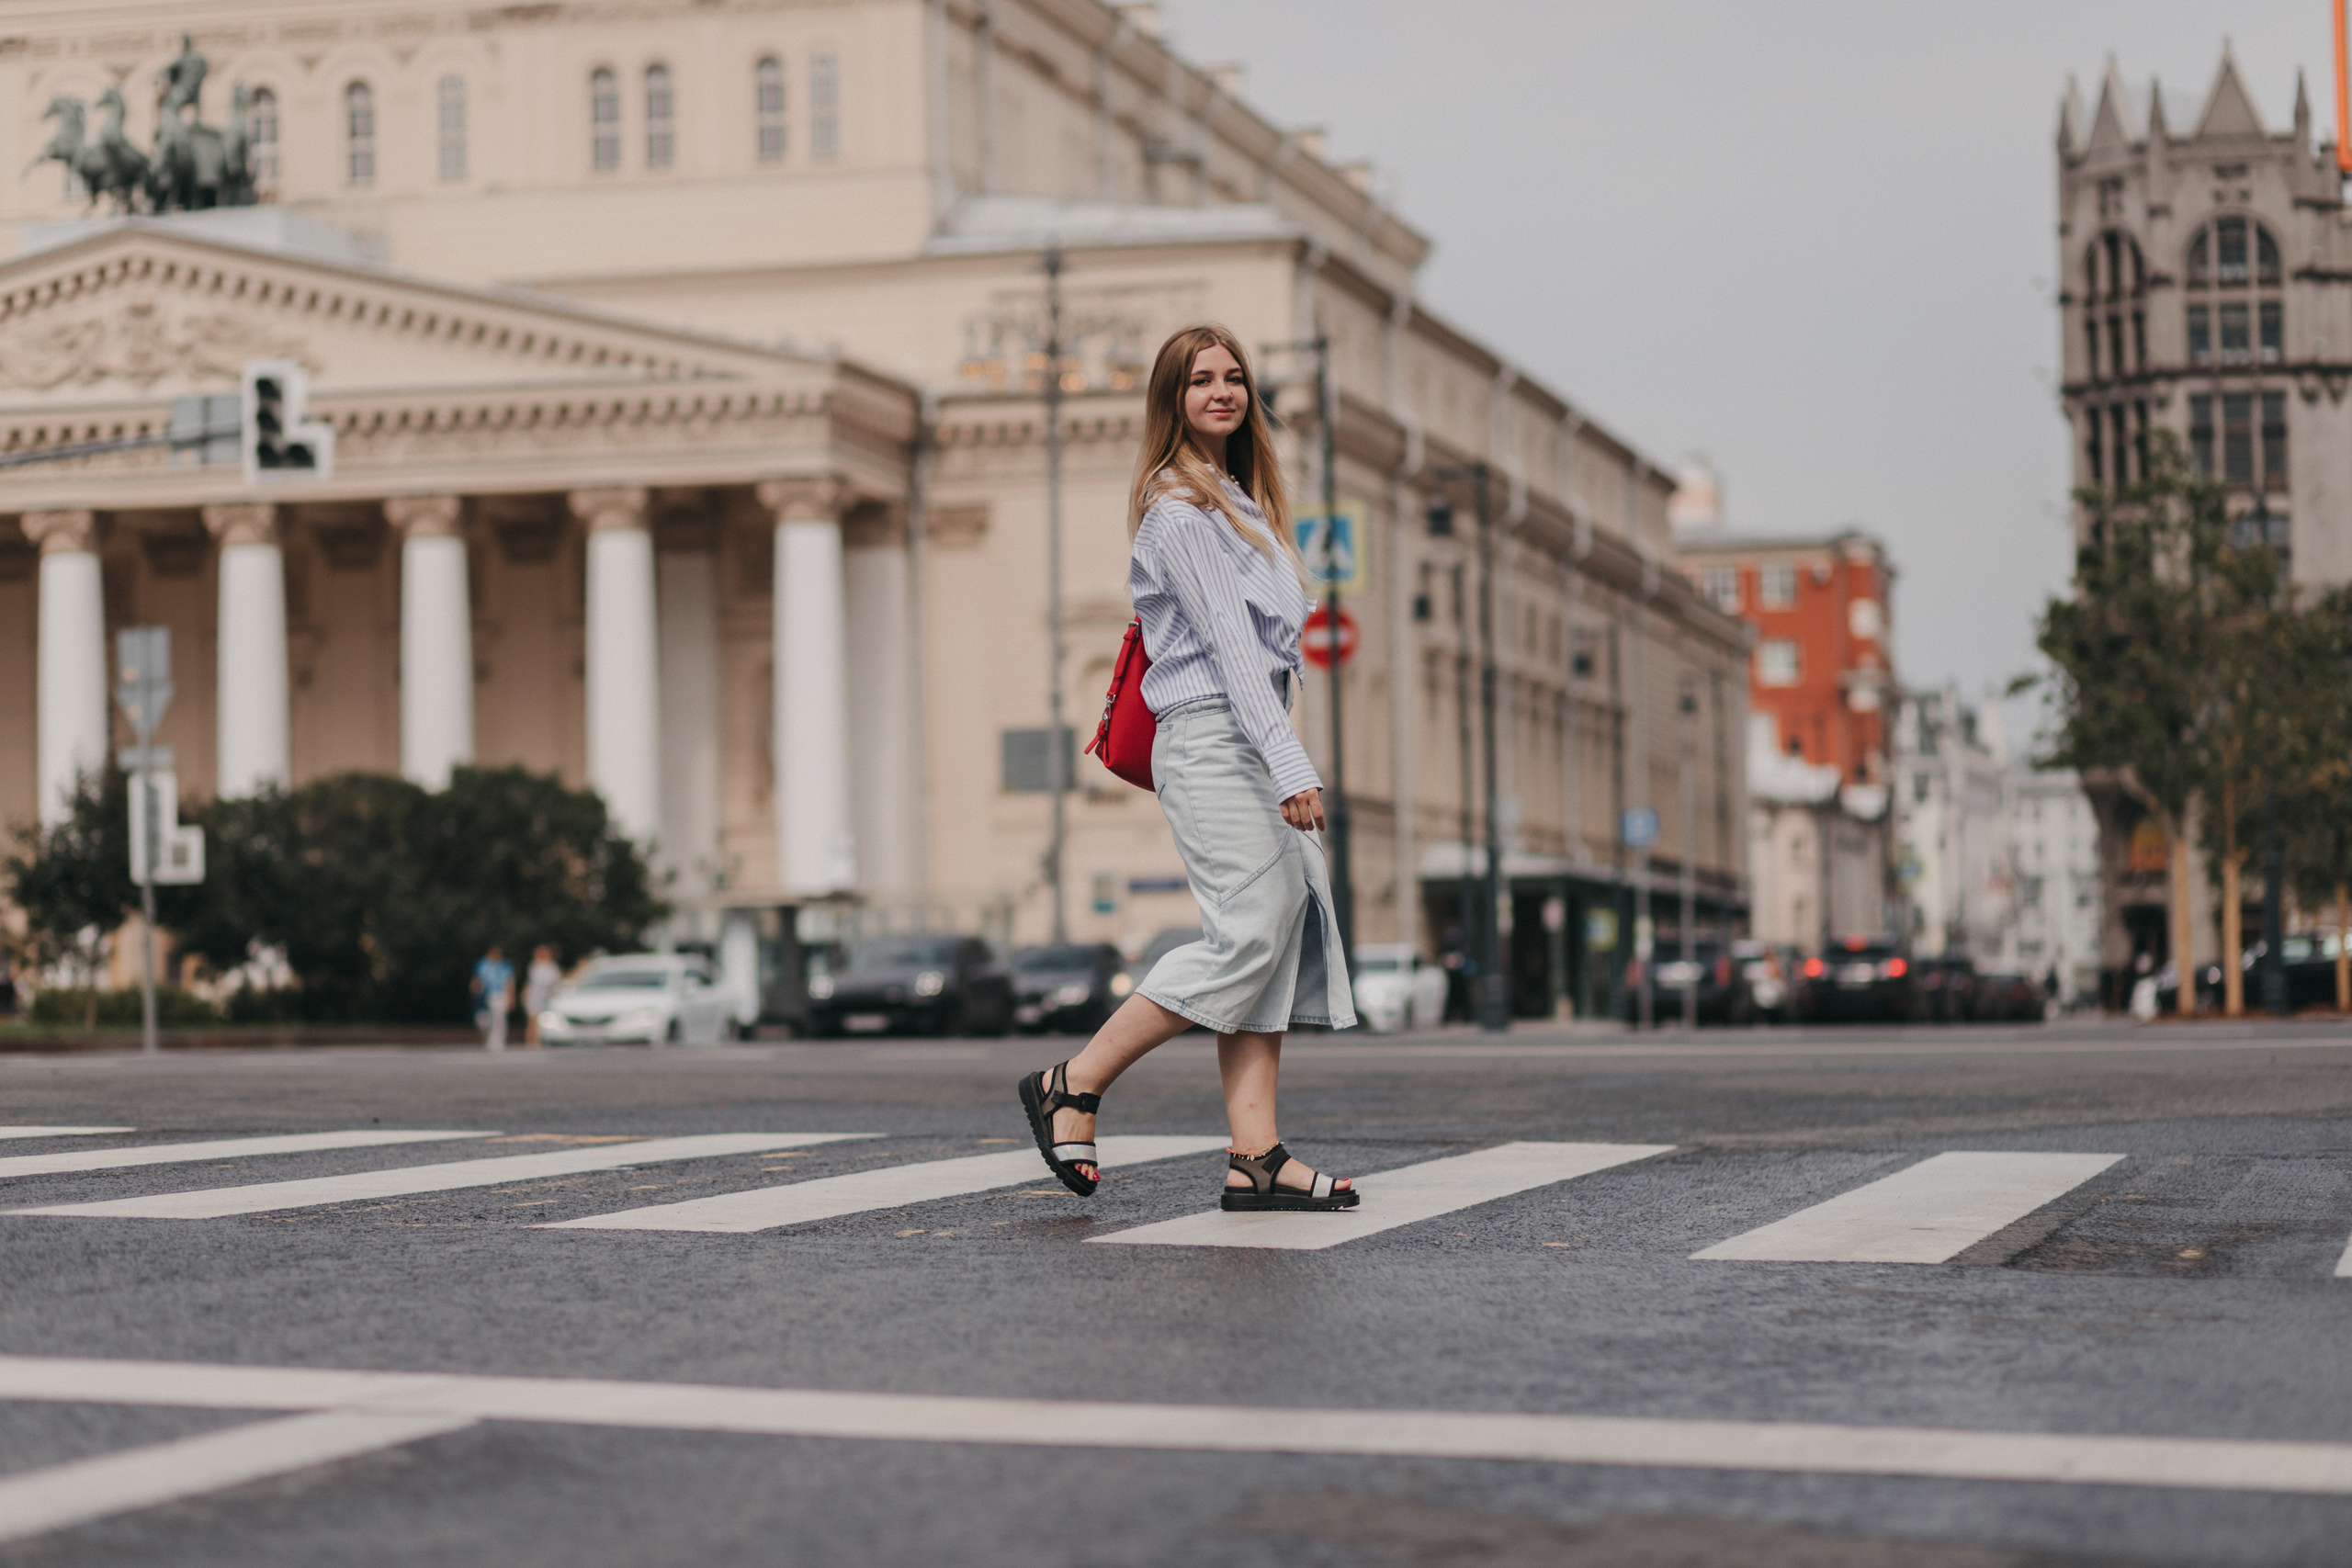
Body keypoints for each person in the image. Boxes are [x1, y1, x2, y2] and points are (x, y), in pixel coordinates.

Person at [1018, 323, 1359, 1213]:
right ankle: (1074, 1081)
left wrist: (1276, 750)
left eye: (1234, 377)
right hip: (1212, 739)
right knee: (1250, 931)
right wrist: (1290, 761)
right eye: (1201, 379)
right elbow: (1234, 651)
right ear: (1172, 399)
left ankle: (1257, 1156)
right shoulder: (1179, 510)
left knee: (1272, 932)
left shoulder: (1239, 502)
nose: (1222, 391)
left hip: (1243, 735)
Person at [470, 944, 514, 1053]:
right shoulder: (482, 964)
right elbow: (477, 979)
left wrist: (511, 996)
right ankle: (487, 1039)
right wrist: (474, 992)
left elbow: (509, 981)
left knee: (499, 1019)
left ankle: (498, 1042)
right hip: (484, 996)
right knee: (482, 1020)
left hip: (500, 994)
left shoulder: (505, 965)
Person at [523, 945, 562, 1046]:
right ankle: (531, 1041)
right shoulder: (534, 966)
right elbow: (531, 982)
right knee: (532, 1019)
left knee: (544, 1019)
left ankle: (542, 1040)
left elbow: (554, 981)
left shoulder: (552, 967)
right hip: (535, 996)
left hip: (547, 996)